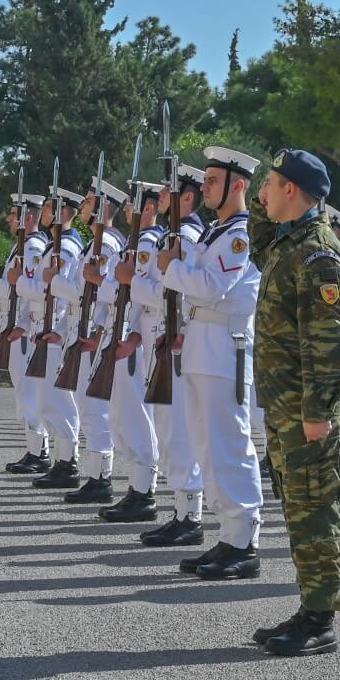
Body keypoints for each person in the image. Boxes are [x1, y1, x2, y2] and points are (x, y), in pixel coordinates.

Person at [248, 150, 340, 655]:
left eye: (270, 183)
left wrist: (318, 414)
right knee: (298, 506)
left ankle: (320, 618)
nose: (263, 192)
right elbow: (257, 227)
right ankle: (310, 606)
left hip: (306, 410)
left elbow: (327, 344)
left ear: (291, 190)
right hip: (286, 404)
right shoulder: (284, 244)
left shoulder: (318, 257)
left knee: (314, 508)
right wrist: (253, 184)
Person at [159, 146, 265, 579]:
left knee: (229, 442)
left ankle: (245, 541)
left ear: (238, 185)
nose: (204, 187)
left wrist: (169, 269)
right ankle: (228, 535)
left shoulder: (241, 233)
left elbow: (211, 286)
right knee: (205, 443)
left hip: (226, 343)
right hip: (203, 342)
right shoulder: (215, 232)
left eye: (213, 180)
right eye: (205, 180)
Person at [132, 168, 207, 545]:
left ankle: (190, 515)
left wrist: (135, 282)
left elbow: (178, 292)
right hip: (164, 337)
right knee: (168, 427)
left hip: (178, 340)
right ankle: (181, 510)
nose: (160, 194)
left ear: (187, 198)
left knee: (178, 429)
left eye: (168, 190)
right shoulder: (172, 236)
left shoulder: (189, 237)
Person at [95, 181, 163, 522]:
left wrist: (122, 281)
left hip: (140, 339)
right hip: (126, 337)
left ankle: (144, 491)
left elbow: (156, 295)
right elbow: (109, 291)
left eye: (131, 205)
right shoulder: (133, 246)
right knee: (120, 416)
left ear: (148, 208)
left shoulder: (150, 244)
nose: (125, 210)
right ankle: (135, 488)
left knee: (136, 416)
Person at [61, 181, 127, 504]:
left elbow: (113, 294)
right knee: (89, 408)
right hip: (84, 330)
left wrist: (98, 333)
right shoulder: (93, 245)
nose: (83, 205)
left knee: (95, 409)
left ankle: (102, 476)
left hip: (94, 334)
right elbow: (79, 290)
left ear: (102, 208)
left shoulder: (110, 244)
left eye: (88, 201)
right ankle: (96, 473)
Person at [19, 188, 85, 489]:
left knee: (58, 400)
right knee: (46, 400)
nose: (45, 212)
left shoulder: (68, 248)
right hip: (47, 331)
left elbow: (67, 295)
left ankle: (68, 461)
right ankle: (61, 459)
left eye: (49, 207)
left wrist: (57, 329)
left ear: (65, 212)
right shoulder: (53, 248)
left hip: (57, 333)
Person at [1, 194, 54, 473]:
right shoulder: (20, 247)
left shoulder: (33, 247)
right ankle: (34, 449)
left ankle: (40, 451)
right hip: (22, 326)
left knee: (29, 393)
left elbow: (34, 291)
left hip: (30, 328)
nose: (10, 219)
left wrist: (12, 282)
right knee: (24, 393)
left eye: (14, 214)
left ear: (28, 217)